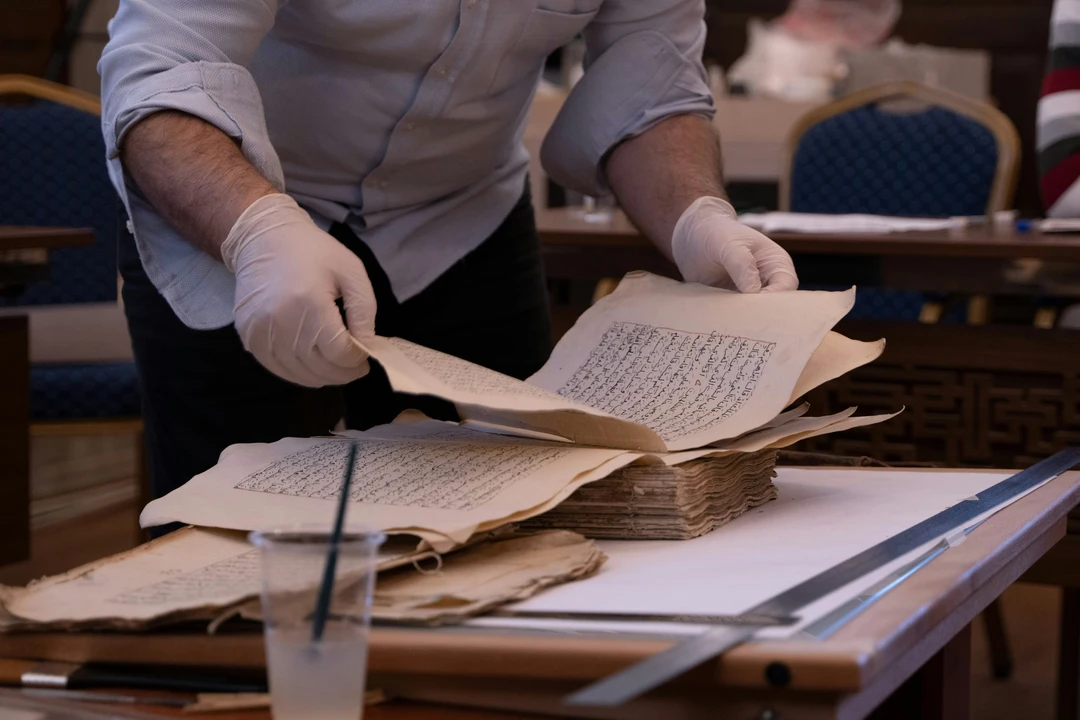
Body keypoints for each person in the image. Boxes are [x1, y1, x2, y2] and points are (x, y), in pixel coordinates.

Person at [99, 0, 800, 500]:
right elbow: (160, 68)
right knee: (231, 534)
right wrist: (256, 230)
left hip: (462, 222)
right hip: (236, 213)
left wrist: (697, 219)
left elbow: (652, 84)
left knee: (513, 512)